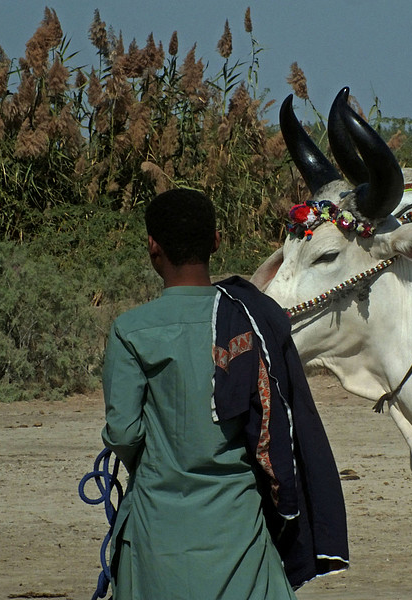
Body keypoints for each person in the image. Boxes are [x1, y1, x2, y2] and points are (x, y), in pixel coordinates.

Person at [101, 188, 348, 599]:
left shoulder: (131, 330)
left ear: (152, 247)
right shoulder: (250, 320)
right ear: (216, 241)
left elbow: (124, 434)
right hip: (241, 536)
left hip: (156, 533)